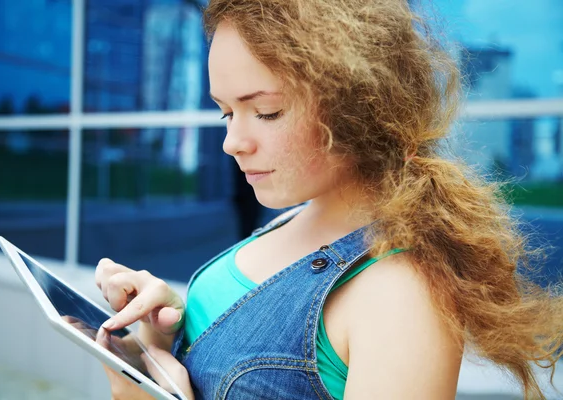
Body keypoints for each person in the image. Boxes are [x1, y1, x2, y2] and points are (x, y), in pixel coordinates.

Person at [93, 0, 563, 399]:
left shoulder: (402, 294)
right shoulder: (294, 217)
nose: (232, 142)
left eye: (266, 111)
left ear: (357, 103)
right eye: (226, 113)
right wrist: (163, 328)